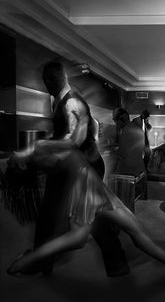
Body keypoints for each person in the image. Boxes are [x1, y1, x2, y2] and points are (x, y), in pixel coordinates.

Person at [2, 114, 165, 279]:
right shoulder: (40, 149)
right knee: (79, 238)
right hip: (84, 188)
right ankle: (29, 259)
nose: (11, 155)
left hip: (94, 186)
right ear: (21, 165)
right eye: (11, 161)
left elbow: (70, 148)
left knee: (135, 229)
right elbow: (72, 144)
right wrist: (83, 122)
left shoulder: (40, 153)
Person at [34, 61, 129, 277]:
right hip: (75, 164)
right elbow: (66, 134)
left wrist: (46, 154)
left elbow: (73, 141)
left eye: (51, 79)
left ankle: (117, 262)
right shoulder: (57, 100)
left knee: (89, 214)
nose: (48, 83)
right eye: (45, 80)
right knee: (51, 211)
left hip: (85, 165)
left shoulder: (71, 102)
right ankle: (43, 261)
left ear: (62, 78)